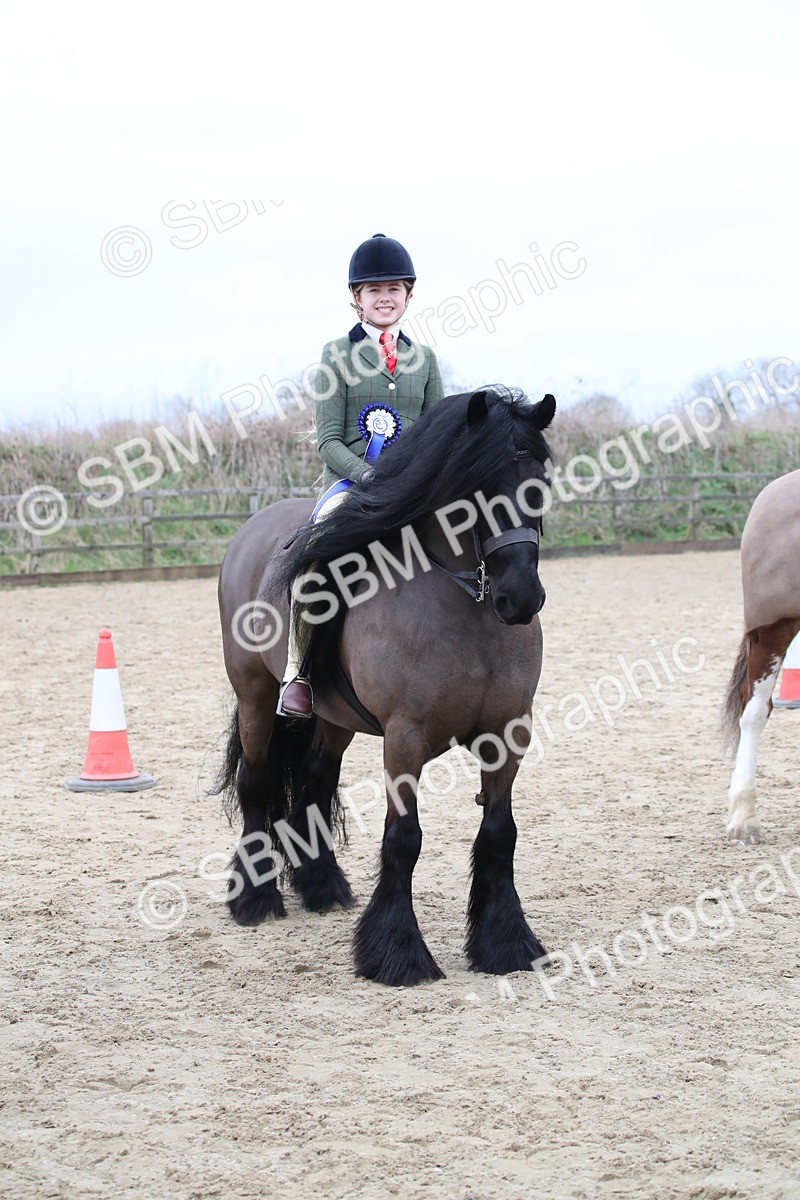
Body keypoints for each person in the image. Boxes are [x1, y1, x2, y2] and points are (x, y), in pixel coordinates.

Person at [277, 233, 444, 717]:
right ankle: (299, 675)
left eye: (394, 288)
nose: (385, 297)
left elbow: (435, 432)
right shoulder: (337, 355)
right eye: (374, 290)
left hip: (413, 489)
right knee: (311, 564)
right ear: (357, 299)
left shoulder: (425, 359)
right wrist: (369, 478)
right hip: (351, 485)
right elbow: (328, 440)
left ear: (408, 295)